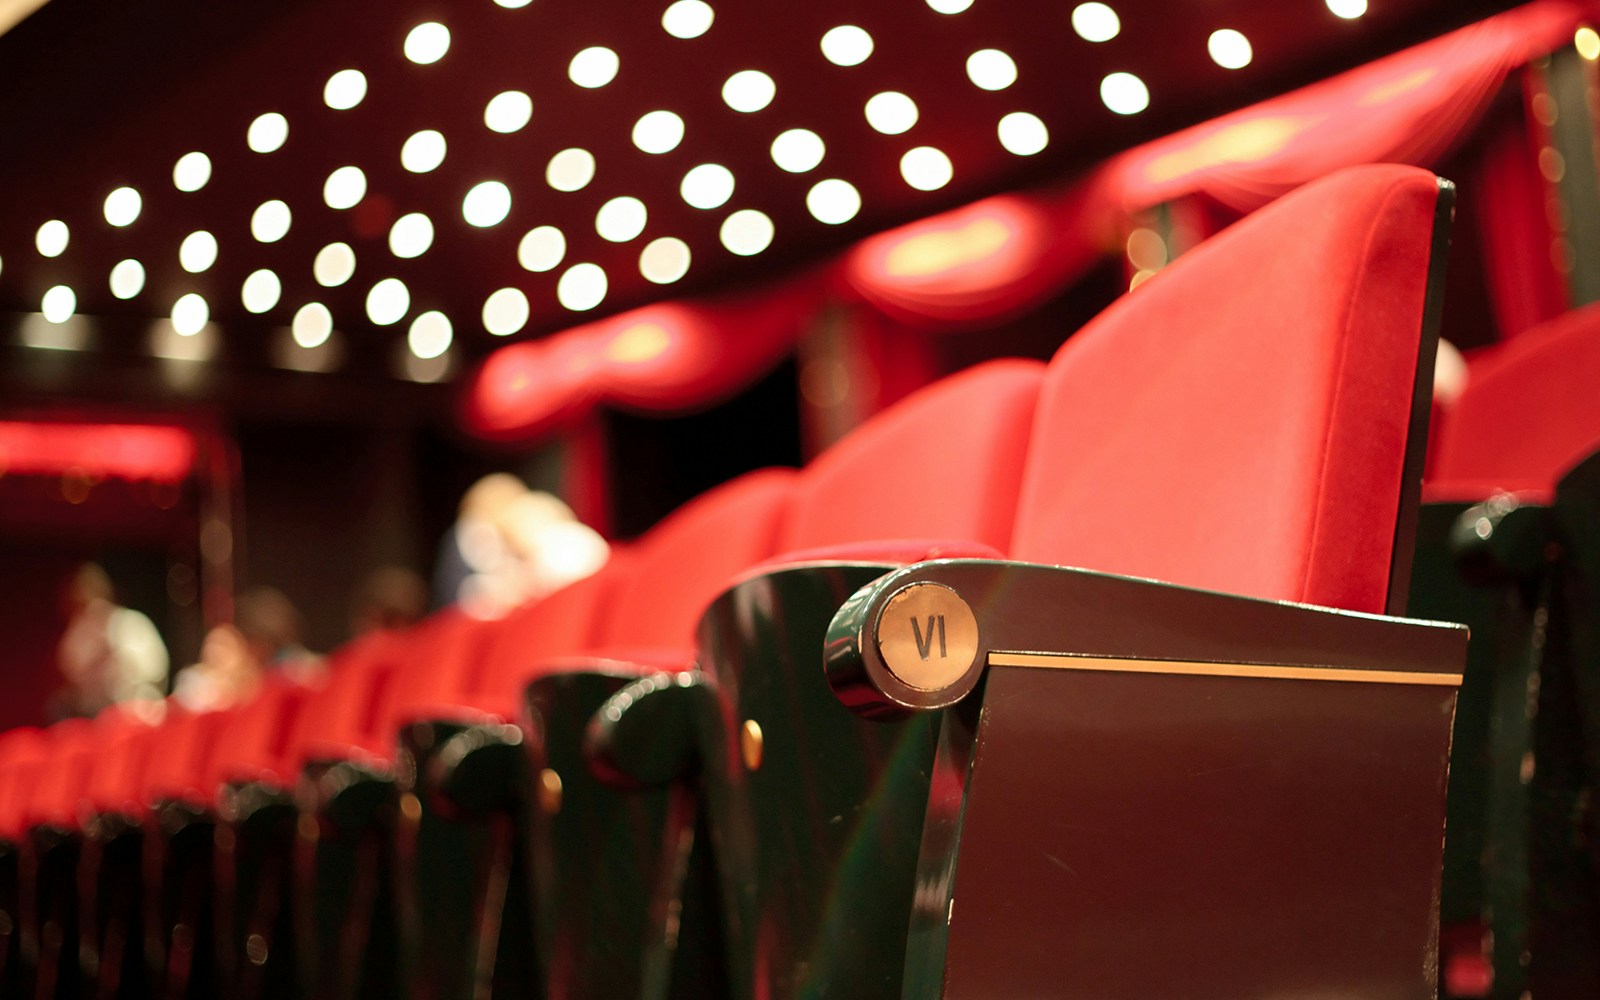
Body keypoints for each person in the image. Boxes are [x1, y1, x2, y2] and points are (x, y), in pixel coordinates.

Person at [54, 563, 170, 718]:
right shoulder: (77, 635)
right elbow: (70, 673)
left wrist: (118, 655)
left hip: (138, 709)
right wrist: (94, 660)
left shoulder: (131, 622)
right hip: (95, 716)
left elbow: (155, 670)